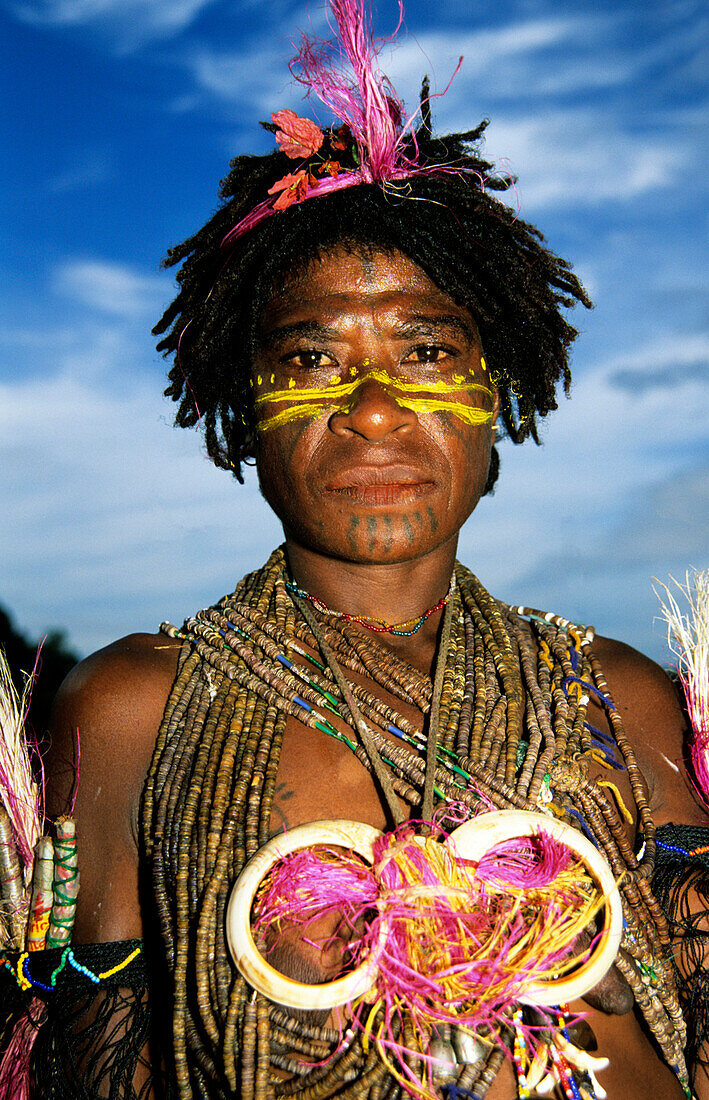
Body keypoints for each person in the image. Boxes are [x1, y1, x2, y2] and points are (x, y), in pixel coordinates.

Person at [4, 0, 708, 1097]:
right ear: (244, 414)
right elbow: (102, 1057)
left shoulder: (617, 697)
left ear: (496, 397)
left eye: (426, 349)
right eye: (312, 358)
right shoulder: (137, 704)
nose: (374, 409)